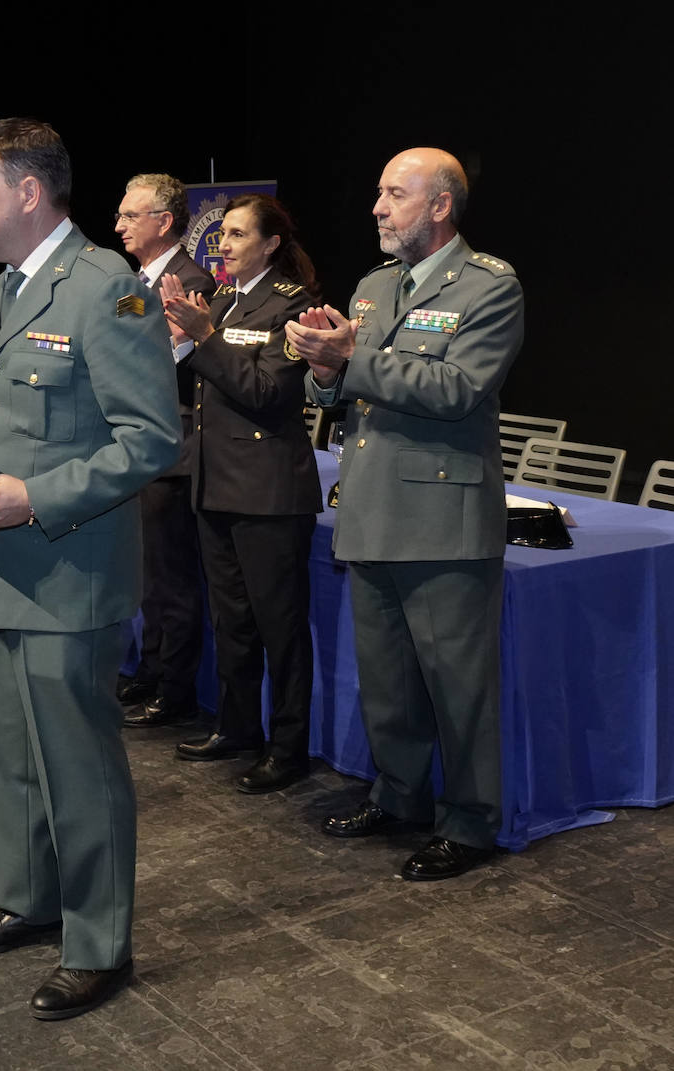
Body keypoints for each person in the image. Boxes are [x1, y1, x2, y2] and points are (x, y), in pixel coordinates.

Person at [0, 119, 179, 1020]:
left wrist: (36, 497)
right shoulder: (10, 287)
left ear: (30, 193)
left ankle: (98, 941)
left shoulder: (105, 289)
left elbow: (151, 437)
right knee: (8, 753)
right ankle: (30, 896)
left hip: (66, 566)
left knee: (77, 765)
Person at [285, 147, 524, 881]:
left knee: (459, 688)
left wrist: (351, 357)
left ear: (441, 205)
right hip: (371, 508)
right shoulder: (373, 286)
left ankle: (472, 824)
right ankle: (399, 797)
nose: (378, 207)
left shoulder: (490, 287)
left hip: (442, 521)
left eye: (395, 194)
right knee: (387, 683)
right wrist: (325, 368)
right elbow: (342, 397)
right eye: (380, 193)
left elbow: (457, 387)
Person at [160, 194, 322, 793]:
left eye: (235, 234)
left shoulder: (294, 305)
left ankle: (288, 747)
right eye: (220, 234)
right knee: (232, 621)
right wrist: (189, 336)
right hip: (217, 483)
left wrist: (204, 339)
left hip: (268, 492)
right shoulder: (224, 300)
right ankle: (236, 727)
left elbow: (265, 392)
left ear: (271, 243)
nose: (222, 245)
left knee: (280, 626)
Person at [113, 173, 217, 727]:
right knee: (147, 573)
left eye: (130, 216)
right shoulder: (134, 281)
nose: (120, 225)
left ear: (164, 222)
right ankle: (150, 669)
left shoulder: (193, 281)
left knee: (171, 578)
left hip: (173, 447)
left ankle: (174, 688)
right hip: (136, 445)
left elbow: (181, 366)